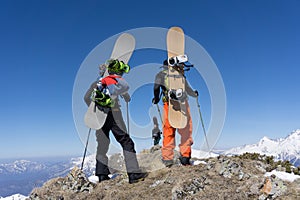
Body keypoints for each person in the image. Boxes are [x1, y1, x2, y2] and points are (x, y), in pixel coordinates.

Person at [84, 59, 147, 184]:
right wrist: (126, 96)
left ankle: (102, 176)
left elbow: (86, 98)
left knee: (102, 145)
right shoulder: (113, 81)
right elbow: (121, 90)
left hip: (100, 117)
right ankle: (134, 174)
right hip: (114, 114)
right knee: (126, 141)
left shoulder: (96, 84)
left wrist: (95, 109)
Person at [152, 60, 198, 167]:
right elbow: (187, 88)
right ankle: (185, 157)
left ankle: (167, 159)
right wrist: (194, 94)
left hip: (169, 103)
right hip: (183, 104)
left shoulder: (161, 74)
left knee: (168, 129)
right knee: (186, 129)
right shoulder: (180, 75)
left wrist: (156, 98)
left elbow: (156, 88)